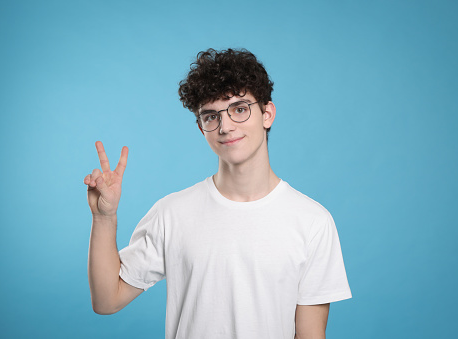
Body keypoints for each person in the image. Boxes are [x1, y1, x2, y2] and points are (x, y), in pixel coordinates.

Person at [85, 48, 352, 339]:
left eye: (239, 109)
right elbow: (107, 300)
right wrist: (104, 218)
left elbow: (311, 334)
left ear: (267, 114)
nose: (225, 127)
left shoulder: (313, 222)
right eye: (211, 116)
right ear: (202, 128)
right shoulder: (172, 213)